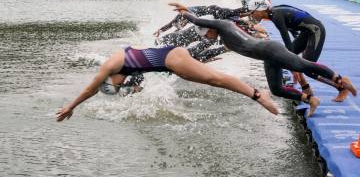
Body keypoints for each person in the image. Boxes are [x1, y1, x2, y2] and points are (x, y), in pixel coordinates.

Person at [173, 4, 357, 117]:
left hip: (272, 50)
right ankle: (311, 100)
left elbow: (198, 21)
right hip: (267, 56)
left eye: (207, 35)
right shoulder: (225, 36)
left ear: (209, 29)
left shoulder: (223, 25)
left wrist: (184, 13)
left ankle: (340, 80)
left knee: (304, 66)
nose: (208, 39)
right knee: (276, 89)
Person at [56, 45, 279, 122]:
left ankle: (259, 96)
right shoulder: (122, 69)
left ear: (109, 79)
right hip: (171, 60)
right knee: (212, 80)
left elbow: (90, 89)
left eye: (113, 86)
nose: (117, 86)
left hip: (172, 59)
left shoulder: (109, 67)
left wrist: (70, 106)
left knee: (215, 79)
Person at [246, 0, 330, 100]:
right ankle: (306, 88)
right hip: (306, 33)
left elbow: (286, 39)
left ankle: (341, 85)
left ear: (260, 10)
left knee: (308, 69)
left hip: (316, 31)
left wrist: (293, 66)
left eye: (252, 12)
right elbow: (293, 29)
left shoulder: (276, 16)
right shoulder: (274, 12)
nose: (251, 15)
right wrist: (300, 46)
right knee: (286, 59)